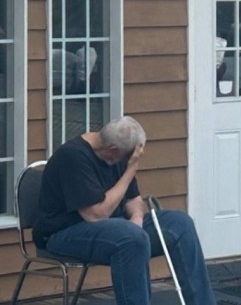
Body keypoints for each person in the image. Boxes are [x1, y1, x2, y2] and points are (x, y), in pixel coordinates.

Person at [33, 116, 216, 305]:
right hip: (63, 233)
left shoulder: (116, 154)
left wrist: (137, 218)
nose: (132, 161)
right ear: (113, 151)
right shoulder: (73, 157)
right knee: (130, 238)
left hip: (118, 229)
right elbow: (96, 215)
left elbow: (134, 199)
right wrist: (131, 170)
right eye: (129, 157)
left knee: (180, 223)